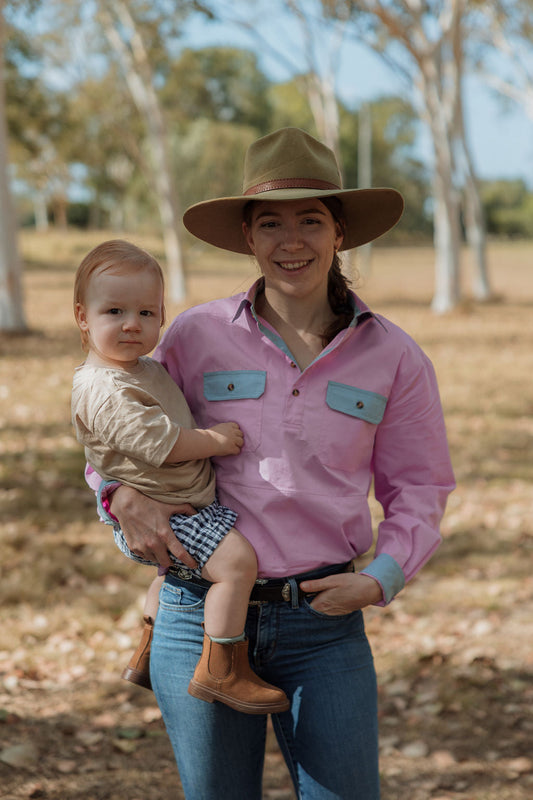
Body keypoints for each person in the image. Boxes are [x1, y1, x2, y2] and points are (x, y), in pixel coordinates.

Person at [88, 127, 455, 800]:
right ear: (248, 239)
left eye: (309, 220)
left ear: (339, 232)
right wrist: (116, 494)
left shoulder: (394, 358)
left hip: (323, 625)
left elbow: (421, 485)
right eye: (271, 224)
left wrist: (379, 580)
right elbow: (116, 423)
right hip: (197, 615)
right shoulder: (195, 336)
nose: (291, 242)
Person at [71, 239, 290, 714]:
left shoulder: (137, 368)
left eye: (147, 313)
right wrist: (215, 441)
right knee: (235, 566)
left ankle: (149, 647)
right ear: (83, 317)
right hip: (167, 504)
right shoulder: (105, 387)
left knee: (167, 573)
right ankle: (222, 666)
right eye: (114, 311)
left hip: (172, 497)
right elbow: (160, 444)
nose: (133, 324)